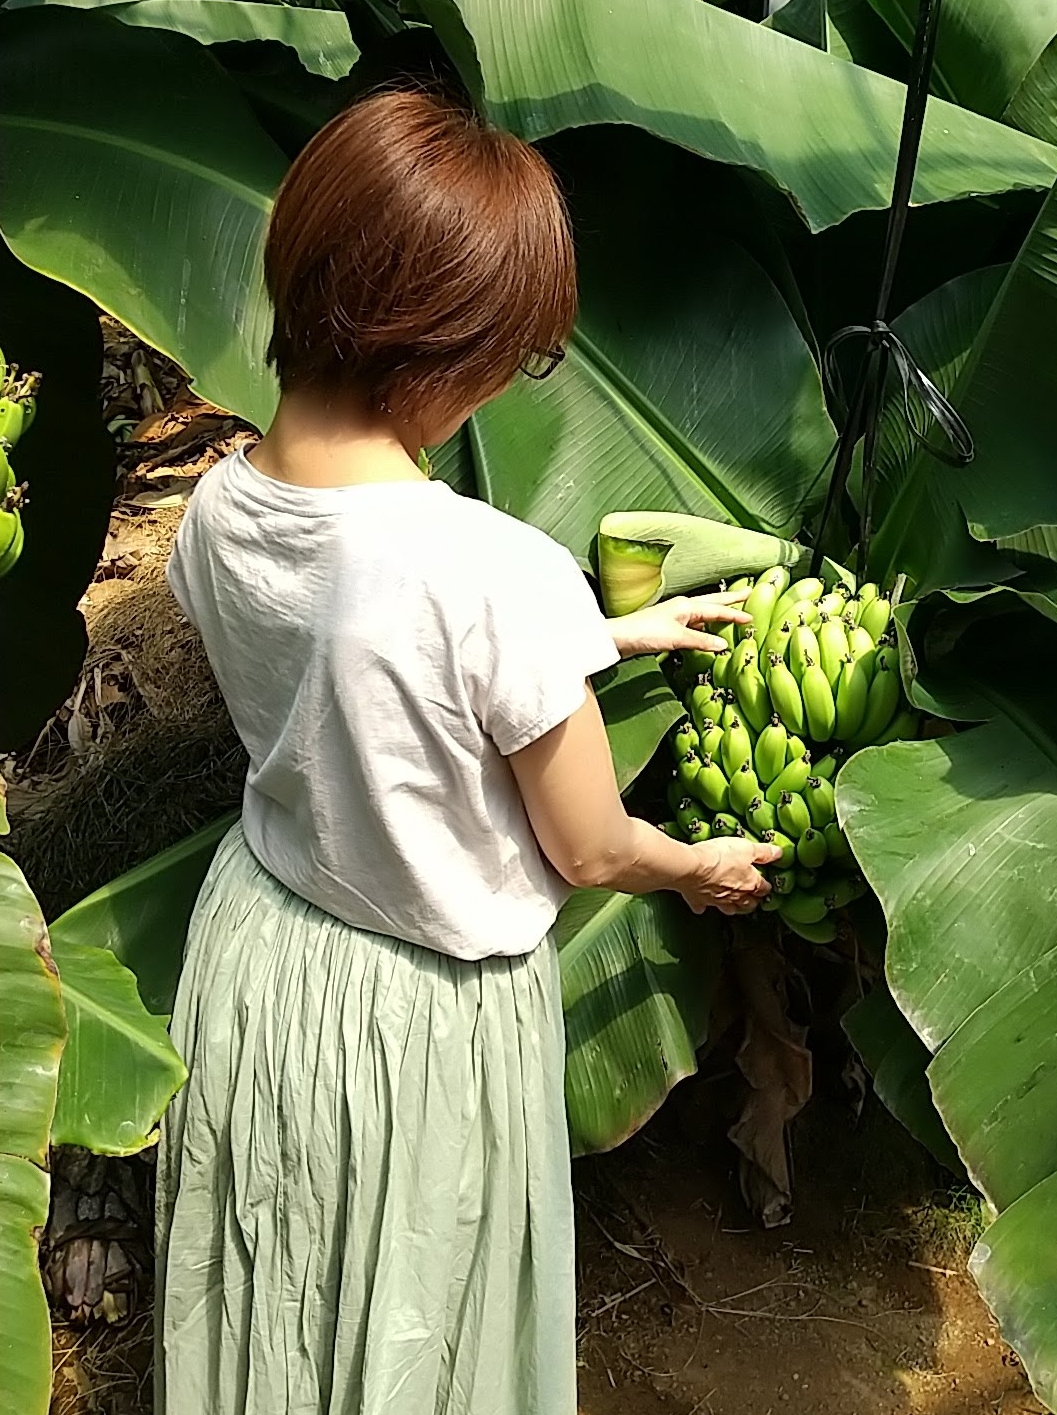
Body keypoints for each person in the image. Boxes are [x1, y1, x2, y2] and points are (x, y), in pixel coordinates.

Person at [154, 85, 777, 1415]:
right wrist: (695, 869)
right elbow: (588, 843)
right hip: (418, 1017)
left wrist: (609, 636)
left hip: (262, 959)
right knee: (413, 1330)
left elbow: (364, 671)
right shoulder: (495, 570)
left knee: (280, 1300)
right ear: (439, 351)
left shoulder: (214, 508)